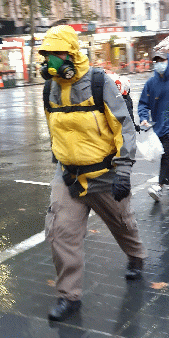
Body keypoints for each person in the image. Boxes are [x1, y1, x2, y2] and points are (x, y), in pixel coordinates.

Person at [38, 25, 147, 322]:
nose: (51, 61)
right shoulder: (49, 89)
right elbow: (53, 127)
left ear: (72, 53)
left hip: (105, 175)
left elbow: (123, 127)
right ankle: (68, 296)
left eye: (56, 54)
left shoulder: (99, 83)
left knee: (123, 223)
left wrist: (123, 171)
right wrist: (59, 158)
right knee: (60, 232)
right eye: (47, 55)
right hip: (69, 177)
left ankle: (136, 256)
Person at [138, 50, 169, 202]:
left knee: (166, 153)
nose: (159, 64)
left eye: (163, 61)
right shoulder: (151, 84)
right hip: (159, 126)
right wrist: (144, 118)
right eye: (156, 61)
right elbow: (143, 104)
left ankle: (159, 186)